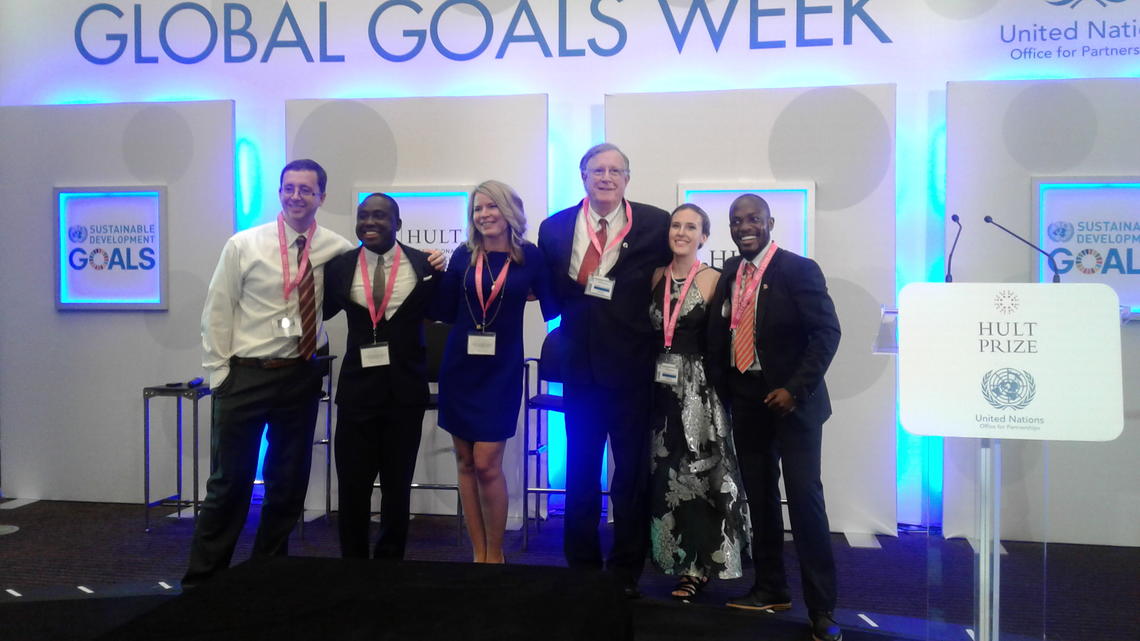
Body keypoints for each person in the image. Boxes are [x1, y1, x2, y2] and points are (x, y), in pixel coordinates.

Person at [186, 159, 354, 587]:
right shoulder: (244, 244)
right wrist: (219, 373)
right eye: (289, 188)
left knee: (288, 480)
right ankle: (203, 581)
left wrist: (434, 261)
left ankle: (268, 574)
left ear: (322, 197)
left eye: (306, 190)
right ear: (280, 192)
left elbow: (378, 267)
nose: (296, 196)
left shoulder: (335, 248)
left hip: (300, 376)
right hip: (246, 374)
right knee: (229, 483)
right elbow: (217, 310)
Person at [536, 142, 671, 597]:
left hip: (632, 368)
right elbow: (548, 286)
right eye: (598, 170)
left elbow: (680, 270)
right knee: (579, 469)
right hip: (579, 366)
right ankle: (582, 566)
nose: (607, 178)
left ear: (627, 179)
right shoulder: (554, 228)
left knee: (630, 475)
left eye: (616, 171)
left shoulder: (654, 223)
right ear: (583, 176)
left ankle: (626, 570)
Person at [706, 194, 843, 641]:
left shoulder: (798, 269)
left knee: (805, 504)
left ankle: (822, 610)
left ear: (770, 222)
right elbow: (723, 331)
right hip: (747, 401)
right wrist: (724, 387)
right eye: (736, 221)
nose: (745, 226)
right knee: (760, 500)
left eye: (753, 219)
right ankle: (770, 588)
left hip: (794, 404)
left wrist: (795, 389)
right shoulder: (730, 272)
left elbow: (826, 333)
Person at [435, 180, 557, 563]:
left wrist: (523, 292)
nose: (484, 214)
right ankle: (479, 553)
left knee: (488, 462)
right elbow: (443, 309)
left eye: (492, 206)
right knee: (465, 462)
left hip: (502, 370)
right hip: (460, 367)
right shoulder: (462, 255)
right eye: (477, 209)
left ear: (509, 212)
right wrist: (430, 269)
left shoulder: (530, 257)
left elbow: (552, 305)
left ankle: (496, 553)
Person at [322, 193, 444, 560]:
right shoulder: (339, 267)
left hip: (405, 392)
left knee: (397, 484)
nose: (369, 222)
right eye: (363, 216)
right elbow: (320, 311)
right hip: (357, 390)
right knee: (353, 485)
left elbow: (445, 309)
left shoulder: (426, 266)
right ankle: (353, 561)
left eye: (379, 216)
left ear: (398, 224)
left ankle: (390, 560)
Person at [648, 204, 751, 602]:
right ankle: (671, 559)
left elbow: (721, 341)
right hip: (659, 392)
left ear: (705, 236)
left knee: (700, 477)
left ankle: (699, 568)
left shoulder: (713, 279)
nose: (682, 232)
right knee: (665, 478)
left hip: (699, 393)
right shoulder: (655, 276)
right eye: (676, 225)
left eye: (691, 227)